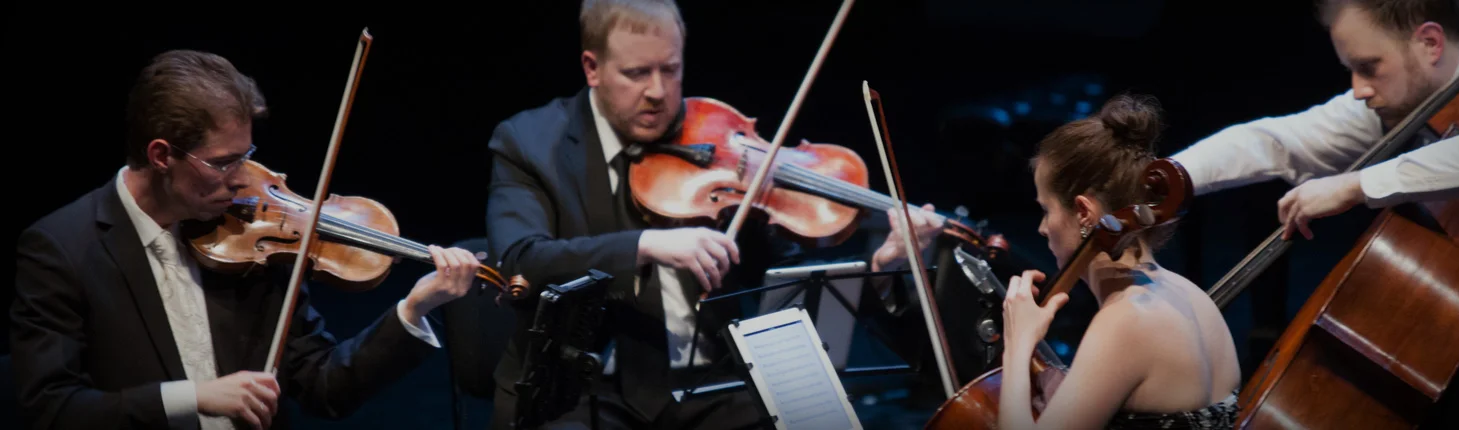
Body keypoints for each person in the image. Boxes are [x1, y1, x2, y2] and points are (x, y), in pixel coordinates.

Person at [483, 0, 944, 428]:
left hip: (709, 386)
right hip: (580, 390)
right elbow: (521, 260)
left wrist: (883, 270)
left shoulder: (717, 137)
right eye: (637, 73)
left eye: (671, 69)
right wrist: (646, 244)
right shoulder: (529, 143)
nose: (658, 92)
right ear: (592, 68)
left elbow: (789, 284)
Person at [11, 49, 484, 430]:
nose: (241, 181)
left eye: (247, 155)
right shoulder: (62, 249)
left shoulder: (251, 247)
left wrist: (413, 309)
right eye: (222, 163)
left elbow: (322, 388)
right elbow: (51, 409)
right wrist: (194, 398)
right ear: (160, 155)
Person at [998, 94, 1242, 429]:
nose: (1042, 228)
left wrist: (1018, 344)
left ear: (1084, 213)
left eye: (1046, 210)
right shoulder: (1194, 297)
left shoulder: (1126, 320)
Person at [1172, 0, 1459, 240]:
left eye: (1369, 67)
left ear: (1430, 44)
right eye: (1351, 70)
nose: (1358, 90)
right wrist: (1166, 179)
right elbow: (1273, 143)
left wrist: (1355, 185)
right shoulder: (1394, 103)